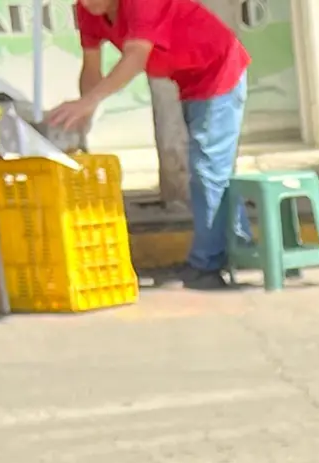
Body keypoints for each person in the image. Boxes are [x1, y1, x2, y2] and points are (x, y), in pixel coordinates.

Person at [46, 0, 248, 290]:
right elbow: (91, 66)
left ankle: (207, 264)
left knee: (207, 169)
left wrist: (89, 101)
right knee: (213, 169)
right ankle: (240, 248)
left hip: (219, 69)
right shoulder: (87, 9)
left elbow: (136, 56)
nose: (84, 2)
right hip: (187, 78)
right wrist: (83, 119)